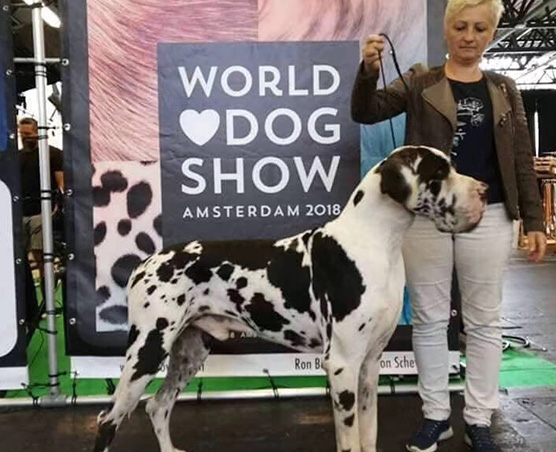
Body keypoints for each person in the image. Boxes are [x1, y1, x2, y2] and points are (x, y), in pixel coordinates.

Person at [351, 1, 547, 451]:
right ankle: (435, 416)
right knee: (429, 320)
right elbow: (366, 111)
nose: (469, 36)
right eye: (460, 26)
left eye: (479, 28)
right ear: (446, 30)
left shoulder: (505, 88)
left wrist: (534, 219)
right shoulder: (420, 81)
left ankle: (479, 419)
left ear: (491, 34)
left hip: (491, 214)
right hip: (428, 216)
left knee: (484, 323)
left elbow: (520, 156)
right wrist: (367, 71)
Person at [18, 117, 64, 311]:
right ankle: (30, 307)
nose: (25, 137)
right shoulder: (16, 157)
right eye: (22, 134)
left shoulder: (52, 154)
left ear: (37, 132)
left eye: (28, 134)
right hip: (20, 213)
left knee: (41, 258)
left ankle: (48, 304)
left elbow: (62, 185)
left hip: (42, 212)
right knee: (20, 259)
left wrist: (56, 208)